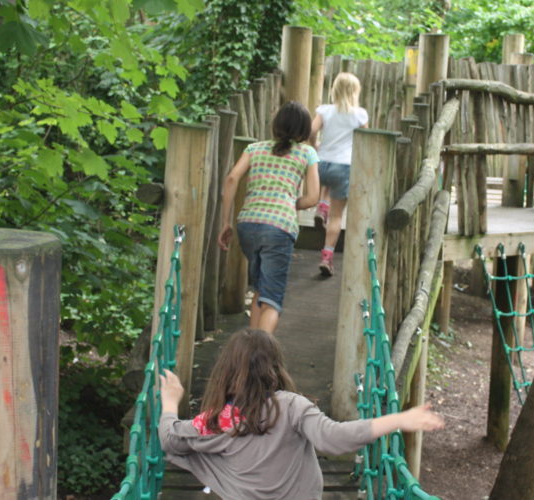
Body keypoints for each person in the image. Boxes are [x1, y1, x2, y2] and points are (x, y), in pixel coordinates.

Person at [158, 328, 445, 500]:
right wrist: (397, 419)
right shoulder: (292, 406)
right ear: (276, 367)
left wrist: (170, 403)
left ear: (224, 371)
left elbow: (171, 440)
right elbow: (334, 439)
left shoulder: (213, 422)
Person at [218, 101, 320, 334]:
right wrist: (287, 203)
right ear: (305, 130)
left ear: (276, 125)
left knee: (260, 290)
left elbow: (232, 179)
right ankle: (260, 356)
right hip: (279, 226)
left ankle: (251, 352)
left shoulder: (254, 149)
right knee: (272, 298)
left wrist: (226, 222)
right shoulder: (307, 153)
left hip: (248, 224)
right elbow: (313, 197)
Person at [309, 72, 369, 276]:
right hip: (344, 166)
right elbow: (366, 138)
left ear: (334, 90)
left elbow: (311, 130)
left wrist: (315, 145)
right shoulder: (359, 114)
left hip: (321, 163)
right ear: (355, 92)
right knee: (337, 217)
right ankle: (327, 256)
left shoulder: (324, 110)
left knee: (327, 181)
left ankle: (321, 207)